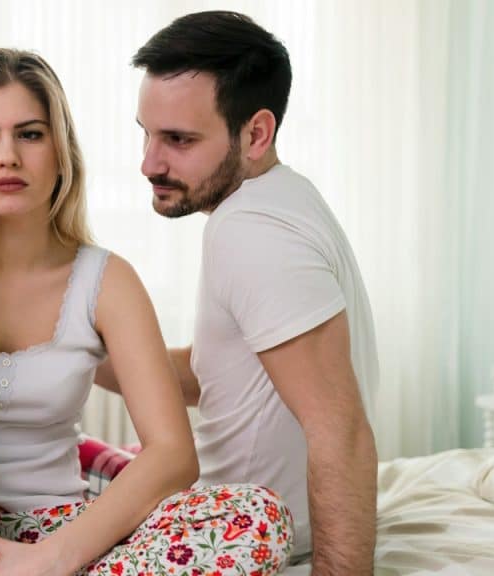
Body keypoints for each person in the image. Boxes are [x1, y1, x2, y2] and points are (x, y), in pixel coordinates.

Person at [0, 48, 293, 575]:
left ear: (60, 148)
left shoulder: (108, 281)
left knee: (258, 517)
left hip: (62, 533)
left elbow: (172, 454)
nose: (7, 157)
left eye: (30, 134)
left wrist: (53, 557)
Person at [94, 11, 380, 575]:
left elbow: (339, 429)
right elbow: (225, 378)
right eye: (146, 134)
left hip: (250, 537)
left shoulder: (251, 232)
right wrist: (80, 353)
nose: (149, 163)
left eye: (178, 140)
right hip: (232, 515)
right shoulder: (281, 198)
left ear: (256, 132)